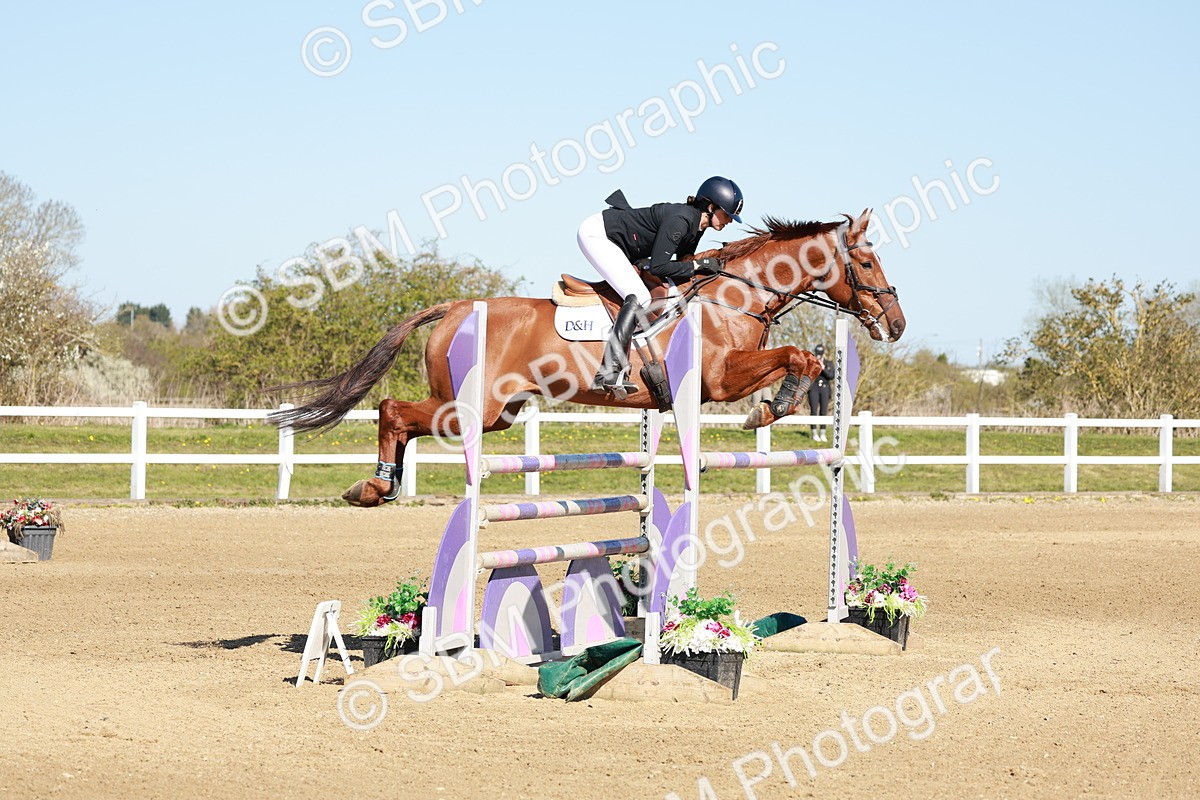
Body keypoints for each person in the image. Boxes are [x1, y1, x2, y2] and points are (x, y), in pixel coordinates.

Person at [577, 176, 745, 393]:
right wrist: (700, 264)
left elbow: (682, 262)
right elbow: (660, 267)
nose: (729, 221)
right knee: (639, 295)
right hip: (598, 234)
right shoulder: (681, 219)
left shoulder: (697, 226)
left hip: (622, 243)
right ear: (711, 207)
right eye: (727, 214)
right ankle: (608, 371)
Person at [807, 344, 835, 441]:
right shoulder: (811, 362)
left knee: (824, 411)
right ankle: (814, 433)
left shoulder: (828, 363)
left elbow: (831, 376)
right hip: (814, 388)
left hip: (824, 388)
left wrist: (823, 367)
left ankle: (823, 432)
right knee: (814, 410)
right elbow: (808, 374)